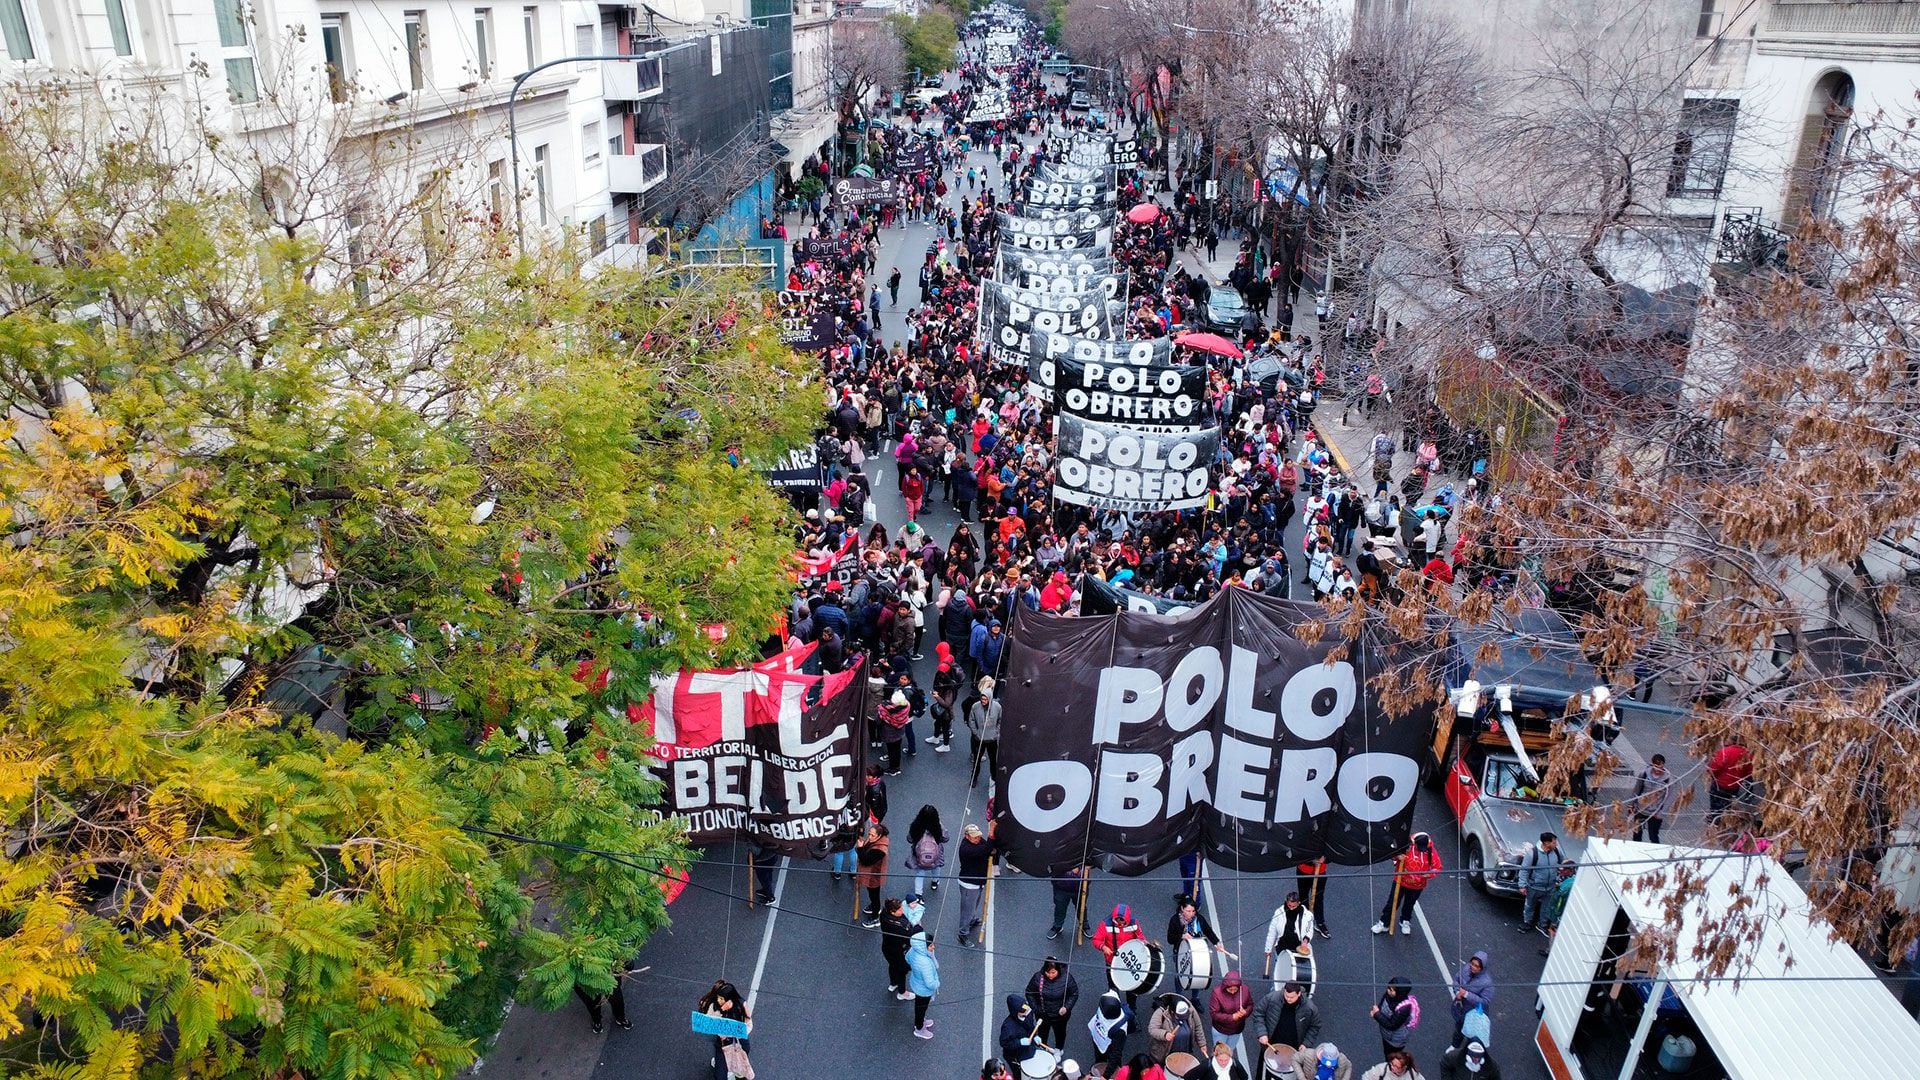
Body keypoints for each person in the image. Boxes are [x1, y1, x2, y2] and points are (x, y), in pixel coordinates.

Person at [1374, 832, 1440, 935]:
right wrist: (1397, 856)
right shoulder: (1406, 846)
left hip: (1418, 886)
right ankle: (1384, 923)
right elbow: (1392, 854)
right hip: (1401, 881)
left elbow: (1437, 868)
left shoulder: (1430, 851)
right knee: (1392, 903)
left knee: (1409, 904)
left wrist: (1429, 875)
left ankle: (1405, 920)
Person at [1094, 903, 1150, 1011]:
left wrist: (1144, 942)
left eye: (1122, 921)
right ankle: (1115, 1007)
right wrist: (1103, 947)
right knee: (1113, 986)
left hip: (1128, 960)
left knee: (1132, 987)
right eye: (1117, 920)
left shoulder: (1134, 924)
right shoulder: (1105, 924)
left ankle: (1132, 1009)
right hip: (1112, 962)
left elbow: (1140, 936)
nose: (1120, 923)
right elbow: (1096, 939)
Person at [1247, 982, 1321, 1062]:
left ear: (1299, 994)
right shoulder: (1271, 998)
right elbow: (1258, 1014)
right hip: (1271, 1044)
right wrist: (1262, 1033)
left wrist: (1306, 1044)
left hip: (1294, 1048)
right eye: (1286, 996)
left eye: (1292, 997)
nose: (1288, 999)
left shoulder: (1309, 1008)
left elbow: (1315, 1026)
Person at [696, 979, 751, 1080]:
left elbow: (749, 1025)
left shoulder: (741, 1006)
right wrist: (721, 1011)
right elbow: (710, 1022)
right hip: (723, 1044)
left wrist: (735, 1033)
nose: (719, 1001)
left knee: (740, 1069)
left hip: (739, 1042)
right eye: (718, 998)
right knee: (720, 1075)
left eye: (722, 999)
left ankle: (737, 1074)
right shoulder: (714, 1006)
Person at [955, 822, 998, 945]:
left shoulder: (977, 841)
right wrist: (991, 831)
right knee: (967, 910)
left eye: (978, 835)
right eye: (975, 837)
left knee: (974, 905)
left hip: (978, 882)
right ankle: (962, 933)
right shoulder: (967, 849)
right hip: (969, 885)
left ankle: (971, 920)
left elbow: (987, 847)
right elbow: (986, 849)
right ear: (967, 836)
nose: (978, 838)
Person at [1027, 955, 1080, 1050]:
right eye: (1048, 972)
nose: (1050, 975)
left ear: (1058, 970)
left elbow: (1074, 993)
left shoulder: (1067, 977)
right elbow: (1029, 993)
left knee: (1060, 1033)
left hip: (1060, 1016)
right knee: (1043, 1033)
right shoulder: (1038, 977)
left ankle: (1059, 1049)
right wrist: (1036, 1009)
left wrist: (1067, 1007)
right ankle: (1043, 1049)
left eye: (1053, 972)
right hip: (1043, 1015)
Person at [1517, 832, 1560, 933]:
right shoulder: (1532, 854)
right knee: (1529, 905)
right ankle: (1527, 922)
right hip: (1534, 886)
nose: (1556, 844)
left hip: (1550, 887)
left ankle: (1542, 925)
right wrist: (1522, 885)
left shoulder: (1556, 851)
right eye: (1554, 842)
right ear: (1546, 843)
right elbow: (1524, 870)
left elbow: (1563, 861)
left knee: (1546, 907)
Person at [1448, 952, 1493, 1048]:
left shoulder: (1487, 983)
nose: (1473, 967)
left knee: (1472, 1034)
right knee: (1459, 1029)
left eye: (1477, 966)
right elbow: (1456, 980)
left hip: (1474, 1013)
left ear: (1482, 968)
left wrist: (1467, 995)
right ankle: (1455, 1046)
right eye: (1472, 964)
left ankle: (1469, 1052)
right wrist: (1457, 993)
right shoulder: (1465, 969)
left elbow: (1485, 1002)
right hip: (1461, 1009)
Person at [1207, 971, 1252, 1066]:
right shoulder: (1217, 993)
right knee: (1219, 1052)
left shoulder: (1245, 990)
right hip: (1220, 1030)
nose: (1233, 991)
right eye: (1230, 989)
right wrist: (1232, 1017)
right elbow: (1214, 1014)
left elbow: (1250, 1005)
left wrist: (1246, 1012)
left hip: (1236, 1030)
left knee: (1229, 1051)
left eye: (1235, 990)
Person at [1088, 989, 1135, 1078]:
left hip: (1108, 1045)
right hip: (1100, 1039)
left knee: (1114, 1064)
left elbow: (1116, 1053)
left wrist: (1106, 1075)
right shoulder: (1110, 998)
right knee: (1099, 1059)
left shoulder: (1120, 1029)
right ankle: (1100, 1066)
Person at [575, 960, 631, 1034]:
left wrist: (627, 962)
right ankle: (597, 1021)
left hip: (609, 972)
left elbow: (622, 951)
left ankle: (620, 1018)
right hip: (587, 976)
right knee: (592, 1001)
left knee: (616, 998)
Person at [905, 804, 949, 895]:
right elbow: (946, 838)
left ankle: (919, 894)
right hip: (935, 853)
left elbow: (910, 839)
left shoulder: (916, 826)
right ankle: (935, 881)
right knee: (936, 867)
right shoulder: (938, 826)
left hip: (919, 853)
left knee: (919, 873)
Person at [968, 676, 1003, 788]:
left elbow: (1000, 721)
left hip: (992, 739)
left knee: (993, 761)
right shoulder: (975, 706)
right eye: (982, 699)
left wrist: (996, 733)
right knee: (977, 761)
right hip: (979, 739)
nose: (983, 701)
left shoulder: (997, 707)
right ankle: (974, 778)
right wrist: (976, 733)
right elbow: (971, 720)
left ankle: (994, 778)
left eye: (985, 699)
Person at [1370, 977, 1416, 1062]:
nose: (1388, 991)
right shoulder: (1389, 995)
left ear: (1400, 992)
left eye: (1392, 990)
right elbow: (1382, 1004)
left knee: (1392, 1056)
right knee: (1387, 1053)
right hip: (1387, 1035)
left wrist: (1377, 1015)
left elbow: (1392, 1025)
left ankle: (1390, 1068)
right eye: (1388, 988)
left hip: (1395, 1040)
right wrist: (1377, 1012)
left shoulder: (1404, 1008)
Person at [1631, 754, 1674, 843]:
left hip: (1655, 812)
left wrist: (1661, 812)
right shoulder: (1644, 774)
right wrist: (1631, 804)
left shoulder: (1668, 779)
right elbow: (1637, 789)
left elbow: (1669, 797)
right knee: (1637, 834)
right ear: (1652, 764)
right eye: (1656, 766)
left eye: (1660, 766)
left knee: (1653, 836)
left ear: (1663, 765)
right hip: (1641, 809)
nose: (1658, 769)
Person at [1706, 740, 1752, 822]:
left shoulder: (1724, 752)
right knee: (1728, 801)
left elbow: (1714, 767)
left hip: (1721, 783)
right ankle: (1725, 817)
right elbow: (1749, 771)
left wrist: (1710, 772)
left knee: (1716, 800)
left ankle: (1715, 818)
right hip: (1735, 784)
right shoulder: (1747, 754)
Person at [907, 929, 941, 1039]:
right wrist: (937, 983)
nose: (933, 947)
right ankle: (919, 1028)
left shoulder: (914, 951)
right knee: (921, 1008)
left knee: (919, 1007)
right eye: (930, 946)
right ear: (923, 947)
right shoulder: (925, 963)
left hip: (917, 984)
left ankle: (920, 1021)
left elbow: (907, 958)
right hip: (924, 991)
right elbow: (930, 983)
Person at [1147, 994, 1198, 1065]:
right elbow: (1152, 1029)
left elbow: (1198, 1026)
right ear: (1172, 1011)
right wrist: (1165, 1034)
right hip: (1165, 1052)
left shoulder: (1189, 1009)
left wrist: (1202, 1043)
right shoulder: (1161, 1012)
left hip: (1183, 1050)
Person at [856, 820, 890, 925]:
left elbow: (866, 861)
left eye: (872, 835)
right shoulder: (875, 841)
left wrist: (860, 848)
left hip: (874, 876)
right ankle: (874, 907)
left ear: (879, 836)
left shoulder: (880, 849)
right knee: (872, 894)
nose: (869, 837)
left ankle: (875, 917)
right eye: (869, 834)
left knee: (874, 895)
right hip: (870, 874)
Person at [1264, 892, 1316, 959]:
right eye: (1289, 905)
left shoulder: (1307, 915)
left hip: (1299, 950)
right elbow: (1272, 932)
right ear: (1286, 902)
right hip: (1282, 948)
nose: (1291, 908)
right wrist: (1268, 949)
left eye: (1294, 906)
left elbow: (1310, 930)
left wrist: (1305, 941)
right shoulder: (1278, 913)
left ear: (1298, 903)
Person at [882, 897, 915, 997]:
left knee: (892, 965)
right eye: (900, 909)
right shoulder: (901, 926)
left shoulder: (883, 914)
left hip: (887, 947)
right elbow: (911, 935)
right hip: (900, 951)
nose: (902, 910)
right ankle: (902, 992)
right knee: (902, 970)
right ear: (892, 912)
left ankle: (893, 983)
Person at [1050, 863, 1093, 940]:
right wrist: (1069, 867)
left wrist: (1090, 865)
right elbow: (1052, 862)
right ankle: (1057, 926)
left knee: (1081, 907)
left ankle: (1084, 925)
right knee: (1060, 907)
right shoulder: (1058, 851)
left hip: (1081, 887)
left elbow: (1095, 858)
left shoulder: (1085, 851)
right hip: (1061, 887)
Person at [1001, 994, 1041, 1068]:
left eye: (1027, 1010)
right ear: (1015, 1012)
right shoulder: (1008, 1027)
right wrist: (1019, 1042)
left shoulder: (1028, 1012)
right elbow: (1004, 1043)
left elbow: (1031, 1026)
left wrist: (1035, 1036)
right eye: (1023, 1013)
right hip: (1015, 1055)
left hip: (1028, 1048)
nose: (1026, 1013)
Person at [1296, 858, 1331, 937]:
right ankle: (1306, 921)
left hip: (1320, 871)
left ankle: (1320, 922)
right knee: (1303, 897)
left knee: (1318, 898)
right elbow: (1298, 851)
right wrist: (1311, 861)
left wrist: (1324, 859)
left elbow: (1332, 852)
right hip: (1303, 870)